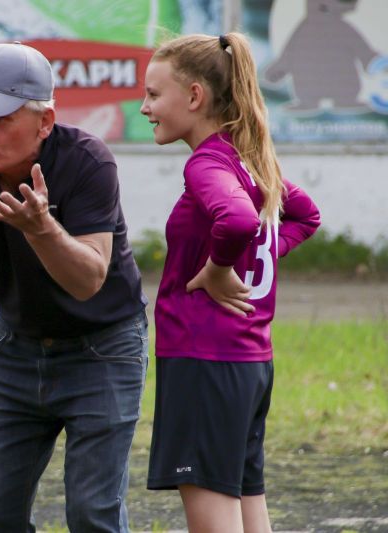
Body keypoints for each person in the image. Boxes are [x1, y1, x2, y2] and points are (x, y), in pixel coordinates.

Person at [0, 42, 149, 533]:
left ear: (45, 121)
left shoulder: (88, 161)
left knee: (92, 514)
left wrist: (41, 229)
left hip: (104, 347)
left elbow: (89, 280)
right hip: (16, 344)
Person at [139, 32, 321, 532]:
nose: (145, 108)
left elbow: (238, 220)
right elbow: (306, 217)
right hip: (248, 365)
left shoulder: (209, 163)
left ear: (194, 96)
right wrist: (245, 255)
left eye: (153, 95)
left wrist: (221, 267)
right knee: (248, 511)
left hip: (206, 363)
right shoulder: (248, 161)